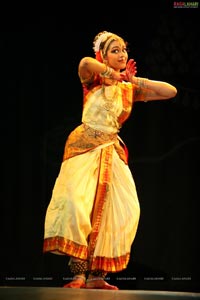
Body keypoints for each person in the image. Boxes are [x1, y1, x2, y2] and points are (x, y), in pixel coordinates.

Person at [43, 30, 177, 290]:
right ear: (103, 55)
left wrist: (133, 80)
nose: (121, 54)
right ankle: (78, 275)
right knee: (77, 206)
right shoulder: (93, 78)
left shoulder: (128, 89)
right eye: (114, 50)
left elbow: (169, 91)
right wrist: (113, 74)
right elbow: (84, 63)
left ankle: (97, 276)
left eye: (123, 50)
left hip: (112, 151)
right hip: (84, 148)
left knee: (121, 211)